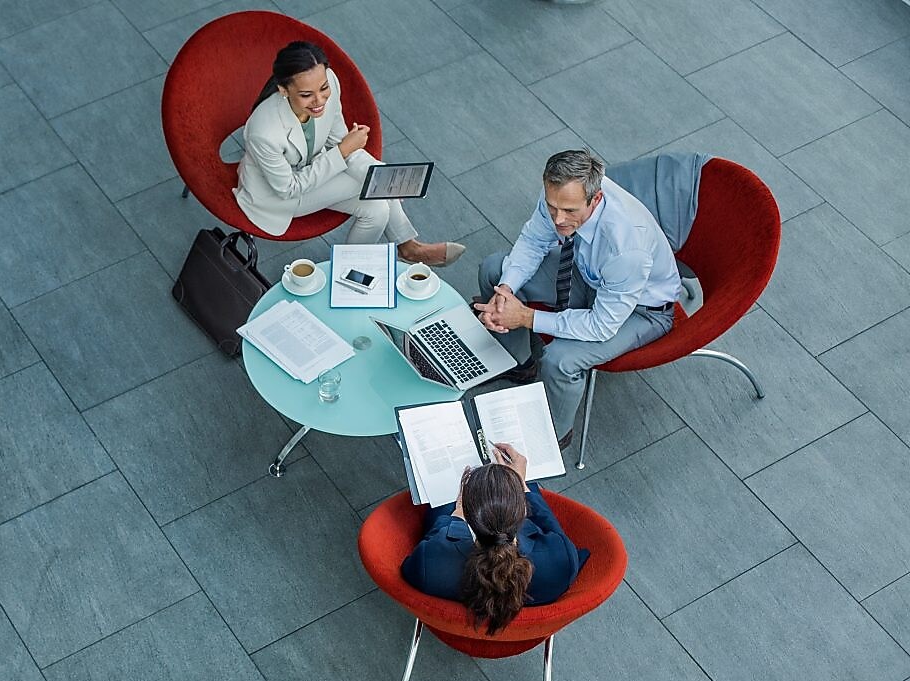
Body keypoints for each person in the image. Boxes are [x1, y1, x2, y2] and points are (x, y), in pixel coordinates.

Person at [475, 150, 680, 447]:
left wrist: (526, 318)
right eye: (552, 207)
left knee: (560, 360)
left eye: (569, 211)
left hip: (642, 310)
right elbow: (534, 241)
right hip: (588, 273)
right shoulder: (561, 193)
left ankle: (554, 435)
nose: (558, 219)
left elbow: (601, 325)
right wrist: (506, 289)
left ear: (596, 199)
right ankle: (519, 364)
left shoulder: (626, 248)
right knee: (494, 270)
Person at [234, 41, 464, 266]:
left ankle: (349, 272)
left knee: (377, 210)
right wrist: (356, 160)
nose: (319, 100)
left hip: (313, 169)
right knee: (374, 187)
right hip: (276, 196)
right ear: (283, 90)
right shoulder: (264, 132)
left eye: (323, 88)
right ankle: (410, 248)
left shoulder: (330, 83)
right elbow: (289, 188)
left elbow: (340, 144)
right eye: (306, 95)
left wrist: (380, 173)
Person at [401, 444, 586, 633]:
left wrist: (456, 516)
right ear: (524, 512)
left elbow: (413, 565)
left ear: (468, 516)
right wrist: (522, 485)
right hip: (524, 636)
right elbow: (549, 524)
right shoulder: (562, 560)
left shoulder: (428, 564)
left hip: (451, 630)